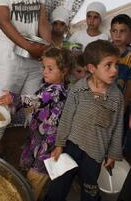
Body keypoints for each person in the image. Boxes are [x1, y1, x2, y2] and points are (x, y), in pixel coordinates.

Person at [45, 40, 124, 201]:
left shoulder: (117, 97)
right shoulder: (78, 90)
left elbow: (117, 127)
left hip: (95, 153)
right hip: (71, 147)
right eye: (108, 65)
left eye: (116, 64)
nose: (114, 70)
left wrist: (113, 154)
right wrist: (59, 145)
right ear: (92, 68)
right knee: (58, 186)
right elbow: (66, 118)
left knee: (90, 191)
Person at [0, 48, 72, 201]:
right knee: (30, 175)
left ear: (64, 71)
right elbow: (35, 104)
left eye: (50, 69)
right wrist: (14, 103)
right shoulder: (47, 86)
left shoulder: (57, 91)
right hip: (38, 137)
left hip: (48, 144)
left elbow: (36, 101)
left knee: (35, 179)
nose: (45, 71)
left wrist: (13, 98)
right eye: (44, 67)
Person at [0, 0, 51, 103]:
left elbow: (43, 21)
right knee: (1, 103)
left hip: (35, 56)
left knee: (32, 104)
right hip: (9, 57)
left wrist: (47, 49)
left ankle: (30, 124)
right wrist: (28, 47)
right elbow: (4, 22)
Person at [110, 14, 131, 201]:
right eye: (115, 31)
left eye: (123, 31)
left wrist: (123, 107)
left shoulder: (130, 58)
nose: (118, 35)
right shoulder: (104, 52)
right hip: (101, 107)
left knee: (115, 140)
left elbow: (129, 90)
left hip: (120, 110)